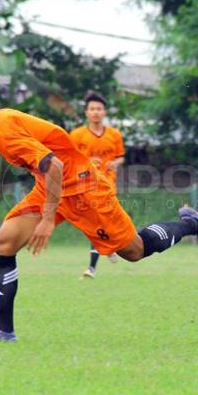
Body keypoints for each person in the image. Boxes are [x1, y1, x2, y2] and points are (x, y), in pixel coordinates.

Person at [0, 81, 198, 343]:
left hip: (83, 189)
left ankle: (190, 223)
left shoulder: (6, 130)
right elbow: (1, 140)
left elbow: (54, 165)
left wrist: (47, 220)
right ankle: (2, 330)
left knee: (134, 251)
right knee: (2, 243)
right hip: (51, 187)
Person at [69, 91, 125, 279]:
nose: (95, 112)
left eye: (99, 109)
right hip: (86, 187)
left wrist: (115, 163)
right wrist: (85, 162)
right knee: (95, 223)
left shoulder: (115, 135)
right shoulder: (76, 135)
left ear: (104, 112)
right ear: (86, 112)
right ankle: (95, 264)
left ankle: (106, 248)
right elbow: (69, 159)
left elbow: (121, 157)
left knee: (104, 223)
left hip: (108, 186)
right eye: (92, 109)